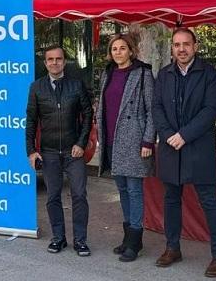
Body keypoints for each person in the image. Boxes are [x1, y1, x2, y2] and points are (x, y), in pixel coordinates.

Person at [152, 28, 216, 277]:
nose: (181, 49)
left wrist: (184, 135)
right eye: (176, 45)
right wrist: (167, 135)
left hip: (198, 148)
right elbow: (157, 107)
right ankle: (173, 248)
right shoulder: (164, 75)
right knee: (171, 201)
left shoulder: (210, 75)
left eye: (186, 44)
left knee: (209, 202)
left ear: (195, 46)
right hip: (171, 147)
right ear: (172, 48)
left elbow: (210, 110)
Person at [26, 45, 93, 256]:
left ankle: (80, 241)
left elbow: (88, 115)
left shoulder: (76, 85)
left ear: (64, 62)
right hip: (49, 152)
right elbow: (30, 121)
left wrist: (81, 144)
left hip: (74, 152)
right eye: (50, 59)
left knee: (79, 196)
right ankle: (59, 238)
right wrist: (31, 151)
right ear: (45, 63)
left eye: (59, 59)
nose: (55, 63)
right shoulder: (36, 87)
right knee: (52, 196)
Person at [96, 33, 155, 262]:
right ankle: (127, 238)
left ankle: (135, 242)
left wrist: (148, 140)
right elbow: (103, 106)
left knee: (134, 190)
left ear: (131, 50)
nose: (118, 52)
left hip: (134, 140)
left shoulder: (143, 74)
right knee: (121, 189)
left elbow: (152, 110)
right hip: (112, 139)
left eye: (122, 48)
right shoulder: (107, 73)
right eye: (114, 49)